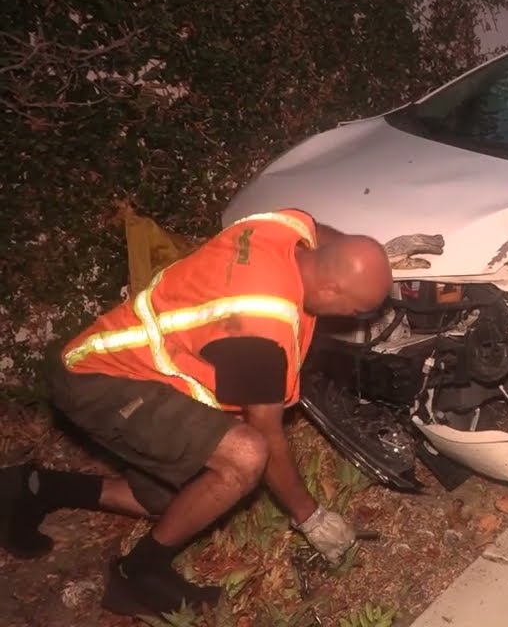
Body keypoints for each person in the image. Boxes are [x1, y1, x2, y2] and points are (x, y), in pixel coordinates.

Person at [0, 208, 393, 618]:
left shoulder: (281, 229)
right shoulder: (260, 328)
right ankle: (138, 575)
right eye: (359, 311)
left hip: (143, 367)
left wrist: (376, 263)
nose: (357, 319)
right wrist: (311, 517)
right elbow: (266, 433)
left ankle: (30, 488)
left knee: (177, 502)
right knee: (244, 456)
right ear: (330, 291)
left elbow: (317, 228)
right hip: (98, 380)